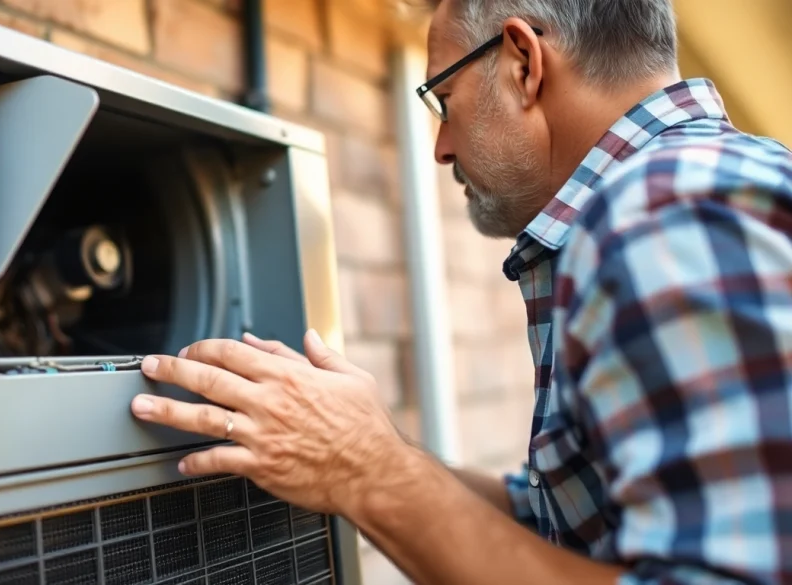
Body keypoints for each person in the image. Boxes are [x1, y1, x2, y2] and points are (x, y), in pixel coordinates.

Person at [130, 0, 792, 583]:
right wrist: (368, 445)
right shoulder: (688, 193)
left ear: (522, 62)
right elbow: (563, 527)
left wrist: (367, 468)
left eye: (445, 100)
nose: (442, 147)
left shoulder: (665, 212)